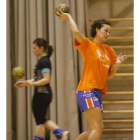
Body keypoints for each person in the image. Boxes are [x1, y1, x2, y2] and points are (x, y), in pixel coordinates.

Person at [55, 10, 127, 140]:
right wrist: (69, 17)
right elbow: (76, 32)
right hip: (87, 90)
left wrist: (116, 63)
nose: (108, 34)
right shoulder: (88, 45)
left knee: (92, 130)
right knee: (98, 128)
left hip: (97, 91)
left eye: (110, 32)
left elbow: (109, 76)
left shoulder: (108, 50)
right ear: (97, 30)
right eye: (106, 30)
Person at [14, 38, 70, 140]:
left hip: (42, 94)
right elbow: (37, 78)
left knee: (40, 121)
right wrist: (25, 82)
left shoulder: (44, 62)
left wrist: (29, 85)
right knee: (40, 120)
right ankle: (60, 133)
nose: (33, 50)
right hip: (41, 94)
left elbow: (46, 80)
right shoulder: (42, 61)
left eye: (35, 48)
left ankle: (61, 134)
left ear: (41, 48)